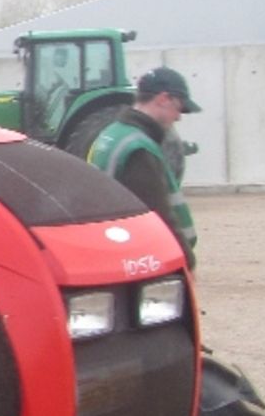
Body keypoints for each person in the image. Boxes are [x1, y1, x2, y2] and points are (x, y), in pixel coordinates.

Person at [86, 66, 200, 266]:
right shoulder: (138, 148)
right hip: (137, 257)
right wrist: (186, 260)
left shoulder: (112, 134)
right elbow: (158, 216)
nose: (178, 117)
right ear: (163, 99)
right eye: (179, 107)